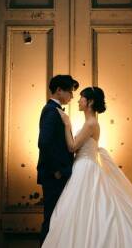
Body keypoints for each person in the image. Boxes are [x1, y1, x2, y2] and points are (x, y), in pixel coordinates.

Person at [42, 86, 132, 248]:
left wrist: (67, 125)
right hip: (84, 166)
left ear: (90, 102)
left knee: (84, 209)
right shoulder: (90, 123)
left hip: (85, 168)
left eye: (81, 98)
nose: (78, 100)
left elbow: (72, 147)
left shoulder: (91, 124)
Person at [37, 74, 80, 245]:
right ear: (59, 90)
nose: (72, 96)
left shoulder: (55, 110)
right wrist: (57, 170)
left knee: (57, 219)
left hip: (59, 174)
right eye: (70, 92)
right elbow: (44, 143)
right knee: (51, 220)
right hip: (54, 175)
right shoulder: (51, 111)